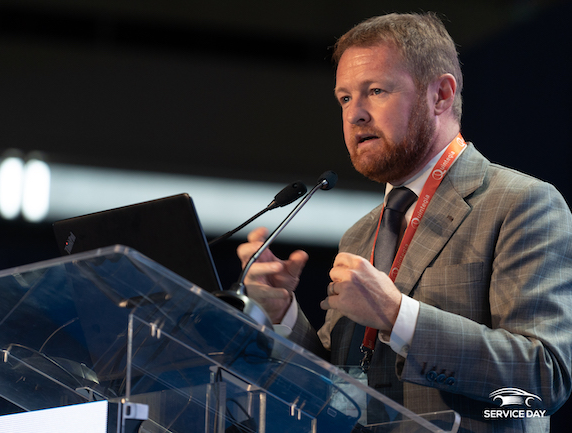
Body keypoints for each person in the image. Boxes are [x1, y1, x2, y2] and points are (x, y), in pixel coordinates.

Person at [236, 12, 572, 433]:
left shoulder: (520, 203)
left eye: (376, 91)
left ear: (441, 95)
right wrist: (281, 314)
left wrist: (399, 315)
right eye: (344, 98)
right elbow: (338, 386)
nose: (355, 115)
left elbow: (544, 379)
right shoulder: (360, 234)